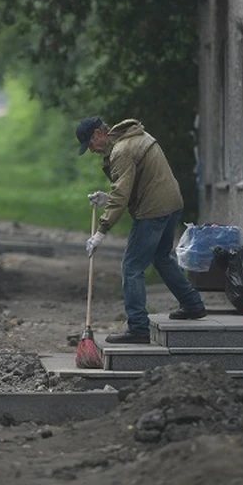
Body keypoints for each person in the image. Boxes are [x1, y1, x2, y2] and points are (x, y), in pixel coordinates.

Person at [76, 115, 207, 344]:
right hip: (171, 203)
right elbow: (134, 184)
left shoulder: (121, 151)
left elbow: (122, 193)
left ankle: (138, 327)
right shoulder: (131, 138)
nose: (92, 150)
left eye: (90, 144)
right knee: (161, 257)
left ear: (98, 134)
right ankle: (192, 304)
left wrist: (101, 231)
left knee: (132, 267)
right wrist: (108, 198)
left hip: (154, 209)